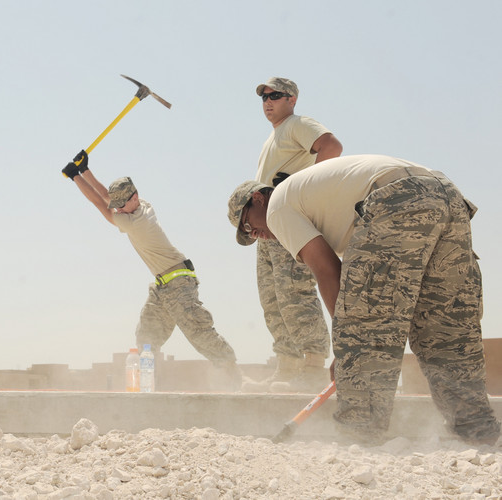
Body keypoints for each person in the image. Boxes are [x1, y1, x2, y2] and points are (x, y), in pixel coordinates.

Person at [227, 154, 501, 445]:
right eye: (250, 236)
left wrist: (346, 348)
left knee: (366, 327)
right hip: (446, 195)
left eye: (247, 226)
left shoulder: (278, 208)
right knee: (446, 330)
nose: (257, 235)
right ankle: (477, 431)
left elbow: (328, 271)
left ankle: (360, 439)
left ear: (258, 199)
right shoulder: (308, 194)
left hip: (396, 200)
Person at [63, 151, 242, 390]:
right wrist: (85, 170)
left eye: (122, 205)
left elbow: (100, 203)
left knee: (199, 333)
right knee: (146, 339)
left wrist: (75, 176)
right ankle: (149, 385)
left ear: (134, 197)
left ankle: (232, 374)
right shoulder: (142, 206)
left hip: (178, 283)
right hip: (163, 283)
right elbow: (108, 197)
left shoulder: (137, 223)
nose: (119, 210)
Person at [247, 76, 344, 393]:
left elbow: (331, 147)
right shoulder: (272, 137)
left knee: (294, 293)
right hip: (268, 226)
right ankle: (286, 368)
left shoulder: (297, 124)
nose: (268, 101)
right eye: (263, 96)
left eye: (275, 95)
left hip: (288, 222)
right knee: (273, 299)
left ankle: (313, 367)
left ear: (292, 100)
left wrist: (306, 190)